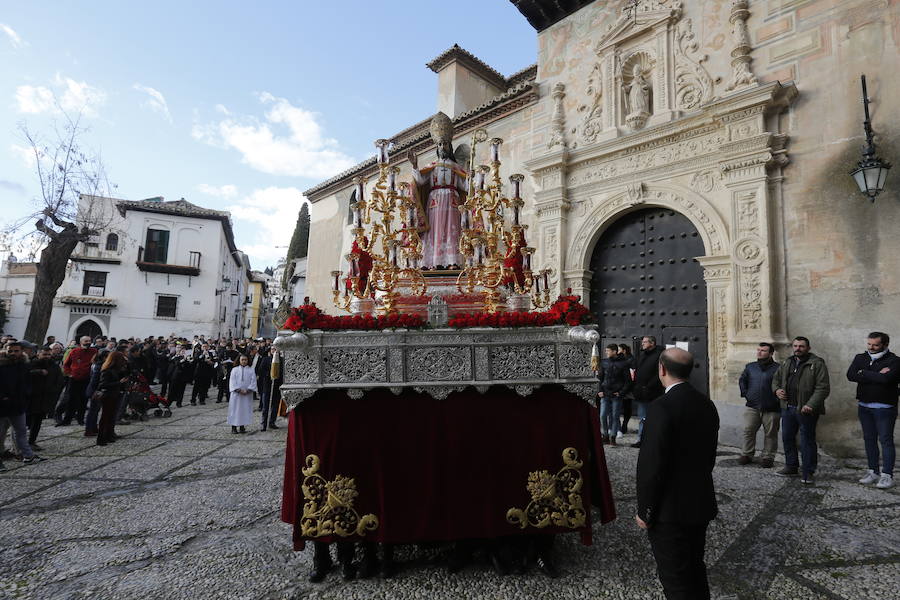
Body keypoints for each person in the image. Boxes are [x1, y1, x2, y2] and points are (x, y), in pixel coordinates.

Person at [636, 348, 719, 600]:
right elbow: (709, 457)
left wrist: (645, 511)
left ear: (661, 369)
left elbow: (652, 466)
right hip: (699, 503)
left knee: (675, 580)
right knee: (695, 569)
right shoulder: (707, 403)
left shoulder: (662, 407)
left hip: (669, 511)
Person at [407, 112, 467, 270]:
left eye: (445, 144)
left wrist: (472, 177)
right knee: (435, 231)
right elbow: (419, 181)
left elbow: (466, 187)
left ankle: (452, 261)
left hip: (452, 202)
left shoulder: (456, 168)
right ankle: (431, 262)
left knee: (452, 230)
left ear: (449, 146)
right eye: (439, 144)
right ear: (437, 147)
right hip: (435, 202)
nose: (442, 147)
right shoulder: (432, 166)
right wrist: (414, 166)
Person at [772, 336, 830, 484]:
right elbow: (776, 379)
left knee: (807, 441)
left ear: (808, 348)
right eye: (795, 346)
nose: (798, 349)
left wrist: (811, 404)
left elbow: (822, 388)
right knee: (787, 438)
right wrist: (777, 390)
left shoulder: (816, 364)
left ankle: (808, 471)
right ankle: (791, 466)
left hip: (806, 410)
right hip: (788, 408)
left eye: (801, 346)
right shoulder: (787, 362)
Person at [846, 331, 898, 489]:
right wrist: (875, 375)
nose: (871, 347)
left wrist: (864, 373)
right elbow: (850, 375)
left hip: (884, 409)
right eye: (869, 344)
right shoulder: (860, 358)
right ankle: (873, 471)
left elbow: (886, 379)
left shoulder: (895, 361)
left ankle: (887, 475)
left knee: (886, 440)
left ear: (885, 345)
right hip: (864, 406)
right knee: (869, 440)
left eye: (875, 345)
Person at [0, 341, 44, 465]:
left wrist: (25, 397)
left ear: (21, 351)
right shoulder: (2, 365)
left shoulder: (24, 365)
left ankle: (27, 455)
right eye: (10, 351)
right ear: (6, 351)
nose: (13, 353)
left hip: (18, 405)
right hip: (2, 406)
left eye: (16, 351)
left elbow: (27, 384)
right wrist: (3, 397)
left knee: (21, 432)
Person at [737, 343, 780, 468]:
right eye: (758, 350)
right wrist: (746, 394)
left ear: (771, 353)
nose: (759, 352)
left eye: (763, 350)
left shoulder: (779, 368)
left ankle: (768, 457)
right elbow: (742, 381)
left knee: (771, 433)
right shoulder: (750, 367)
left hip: (772, 407)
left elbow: (783, 384)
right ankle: (747, 454)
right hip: (752, 405)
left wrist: (777, 399)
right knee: (748, 430)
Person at [27, 347, 64, 450]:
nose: (46, 357)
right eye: (44, 354)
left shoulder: (54, 366)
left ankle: (31, 441)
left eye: (48, 355)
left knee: (37, 421)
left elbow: (59, 380)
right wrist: (38, 372)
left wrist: (54, 391)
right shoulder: (31, 365)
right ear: (39, 354)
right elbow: (25, 376)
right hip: (32, 397)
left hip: (45, 398)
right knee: (26, 422)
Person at [597, 343, 633, 445]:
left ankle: (613, 437)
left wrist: (621, 393)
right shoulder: (604, 362)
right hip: (605, 394)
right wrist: (599, 390)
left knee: (615, 416)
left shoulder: (624, 363)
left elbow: (628, 381)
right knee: (603, 415)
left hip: (616, 395)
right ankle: (605, 435)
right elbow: (600, 378)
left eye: (608, 351)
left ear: (614, 351)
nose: (606, 352)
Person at [631, 336, 663, 448]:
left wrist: (648, 386)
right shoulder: (643, 355)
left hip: (653, 393)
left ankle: (654, 440)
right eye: (642, 342)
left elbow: (658, 374)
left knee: (654, 418)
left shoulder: (659, 355)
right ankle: (641, 440)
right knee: (642, 418)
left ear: (652, 343)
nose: (642, 344)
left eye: (645, 342)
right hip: (641, 393)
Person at [59, 336, 98, 425]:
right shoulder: (74, 351)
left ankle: (80, 419)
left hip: (87, 379)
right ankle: (67, 419)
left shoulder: (94, 351)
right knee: (71, 400)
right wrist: (69, 374)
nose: (88, 342)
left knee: (83, 400)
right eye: (86, 341)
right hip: (74, 379)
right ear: (81, 342)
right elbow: (66, 364)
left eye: (89, 341)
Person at [97, 351, 128, 446]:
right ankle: (101, 438)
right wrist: (119, 382)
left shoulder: (116, 369)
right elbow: (103, 384)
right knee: (105, 417)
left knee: (111, 417)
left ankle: (108, 435)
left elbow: (128, 370)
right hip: (108, 395)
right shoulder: (107, 370)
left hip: (114, 395)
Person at [228, 354, 256, 434]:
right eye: (242, 360)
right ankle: (234, 427)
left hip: (247, 394)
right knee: (235, 410)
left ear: (248, 360)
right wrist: (238, 390)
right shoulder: (234, 370)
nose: (244, 361)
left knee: (244, 410)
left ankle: (242, 426)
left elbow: (253, 381)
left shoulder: (251, 370)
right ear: (239, 360)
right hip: (236, 394)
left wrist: (248, 390)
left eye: (245, 360)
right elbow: (232, 381)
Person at [618, 343, 635, 436]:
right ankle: (620, 426)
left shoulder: (631, 360)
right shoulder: (620, 358)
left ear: (624, 350)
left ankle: (624, 425)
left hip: (628, 386)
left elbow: (632, 373)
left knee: (627, 407)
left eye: (619, 349)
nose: (618, 351)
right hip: (620, 386)